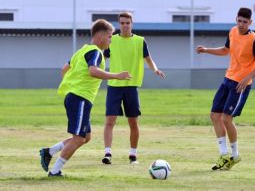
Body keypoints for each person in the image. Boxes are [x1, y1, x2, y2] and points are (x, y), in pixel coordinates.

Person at [39, 19, 131, 177]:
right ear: (101, 36)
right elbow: (93, 71)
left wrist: (74, 85)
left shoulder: (81, 51)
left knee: (85, 137)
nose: (110, 40)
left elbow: (64, 69)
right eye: (110, 37)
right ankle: (55, 171)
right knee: (79, 138)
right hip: (80, 98)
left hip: (76, 97)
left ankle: (49, 151)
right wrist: (117, 75)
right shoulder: (96, 52)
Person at [196, 7, 255, 170]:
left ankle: (235, 155)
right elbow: (226, 50)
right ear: (236, 19)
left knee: (227, 119)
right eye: (239, 21)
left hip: (241, 85)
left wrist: (247, 78)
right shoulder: (232, 32)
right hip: (228, 79)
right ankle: (224, 154)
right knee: (214, 115)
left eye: (245, 22)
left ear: (250, 22)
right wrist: (207, 50)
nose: (241, 24)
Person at [101, 12, 165, 164]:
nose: (124, 25)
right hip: (114, 85)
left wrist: (155, 69)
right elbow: (102, 58)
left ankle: (133, 155)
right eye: (122, 23)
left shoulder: (139, 41)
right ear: (119, 24)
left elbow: (148, 59)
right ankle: (107, 153)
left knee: (133, 123)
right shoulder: (112, 40)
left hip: (131, 87)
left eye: (127, 23)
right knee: (110, 121)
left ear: (132, 24)